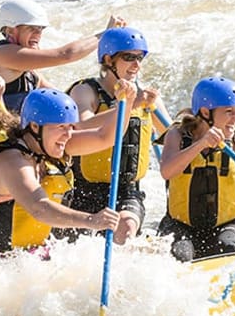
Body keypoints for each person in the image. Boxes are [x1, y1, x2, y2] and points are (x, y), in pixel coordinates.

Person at [0, 0, 124, 212]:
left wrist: (125, 107)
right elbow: (65, 54)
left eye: (40, 30)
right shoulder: (1, 55)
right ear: (11, 30)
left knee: (67, 135)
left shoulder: (31, 74)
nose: (38, 35)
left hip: (7, 147)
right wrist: (104, 35)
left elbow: (70, 115)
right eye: (31, 29)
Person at [0, 86, 139, 267]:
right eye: (61, 126)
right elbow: (39, 208)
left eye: (70, 126)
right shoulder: (12, 161)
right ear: (35, 126)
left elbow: (105, 137)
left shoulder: (49, 145)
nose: (68, 134)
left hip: (30, 259)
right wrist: (91, 220)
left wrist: (128, 101)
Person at [61, 27, 170, 245]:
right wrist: (128, 106)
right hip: (83, 191)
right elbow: (80, 126)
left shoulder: (146, 98)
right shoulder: (86, 91)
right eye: (129, 57)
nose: (136, 65)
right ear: (109, 59)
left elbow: (173, 137)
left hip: (127, 190)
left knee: (126, 227)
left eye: (140, 58)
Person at [157, 76, 235, 261]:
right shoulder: (177, 136)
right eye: (229, 111)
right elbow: (167, 171)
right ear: (205, 112)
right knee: (180, 255)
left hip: (228, 226)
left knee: (227, 248)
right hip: (180, 225)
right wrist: (200, 145)